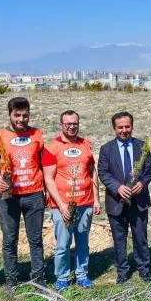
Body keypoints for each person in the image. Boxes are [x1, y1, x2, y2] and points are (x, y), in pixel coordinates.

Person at [0, 97, 46, 288]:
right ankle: (11, 278)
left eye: (25, 115)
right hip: (8, 196)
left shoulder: (37, 135)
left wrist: (47, 190)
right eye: (17, 115)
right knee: (10, 239)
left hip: (34, 194)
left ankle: (38, 276)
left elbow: (44, 164)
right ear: (9, 115)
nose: (21, 119)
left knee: (35, 239)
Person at [42, 111, 102, 291]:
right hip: (62, 205)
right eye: (68, 124)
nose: (72, 127)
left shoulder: (86, 145)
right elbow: (48, 179)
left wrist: (96, 199)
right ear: (61, 125)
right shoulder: (52, 148)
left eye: (75, 123)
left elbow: (92, 172)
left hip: (85, 203)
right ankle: (62, 277)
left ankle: (82, 275)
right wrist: (61, 205)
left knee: (82, 242)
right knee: (63, 244)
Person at [98, 111, 151, 284]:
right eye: (120, 127)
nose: (124, 130)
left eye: (127, 126)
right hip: (116, 202)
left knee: (140, 237)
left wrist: (143, 183)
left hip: (139, 201)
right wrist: (117, 187)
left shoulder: (142, 146)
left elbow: (149, 169)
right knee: (119, 239)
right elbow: (103, 172)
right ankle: (122, 271)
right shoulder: (106, 149)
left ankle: (144, 269)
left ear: (132, 126)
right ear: (114, 129)